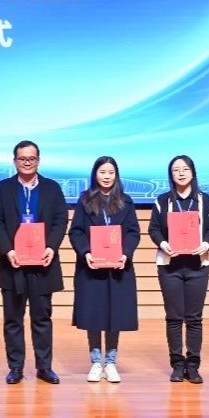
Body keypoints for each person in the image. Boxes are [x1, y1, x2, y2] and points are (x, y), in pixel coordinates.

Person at [0, 140, 69, 385]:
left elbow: (60, 220)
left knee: (42, 318)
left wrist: (51, 247)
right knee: (13, 319)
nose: (27, 162)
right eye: (22, 158)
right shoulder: (3, 188)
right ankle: (15, 367)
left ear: (38, 160)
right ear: (14, 161)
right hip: (13, 264)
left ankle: (44, 367)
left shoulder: (52, 188)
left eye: (31, 158)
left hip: (43, 264)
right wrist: (8, 250)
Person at [68, 156, 140, 383]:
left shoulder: (126, 201)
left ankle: (110, 362)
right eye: (102, 172)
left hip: (118, 267)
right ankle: (95, 362)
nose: (107, 176)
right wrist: (86, 252)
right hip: (92, 267)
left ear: (116, 175)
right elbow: (76, 231)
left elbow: (133, 232)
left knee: (114, 314)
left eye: (110, 172)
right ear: (95, 174)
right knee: (94, 314)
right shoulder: (85, 200)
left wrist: (125, 253)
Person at [147, 154, 209, 384]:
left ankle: (193, 365)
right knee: (174, 317)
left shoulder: (205, 200)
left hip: (197, 265)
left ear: (193, 172)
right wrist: (163, 244)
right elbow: (154, 229)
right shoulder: (162, 200)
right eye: (176, 170)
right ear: (171, 174)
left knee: (194, 318)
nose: (181, 173)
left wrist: (206, 244)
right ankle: (177, 365)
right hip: (170, 266)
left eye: (185, 169)